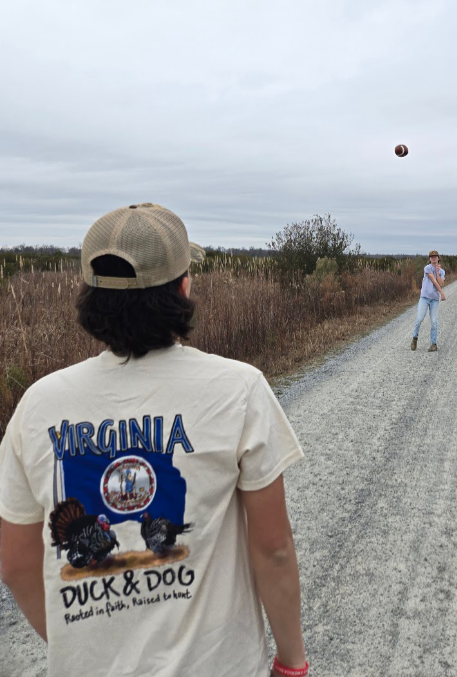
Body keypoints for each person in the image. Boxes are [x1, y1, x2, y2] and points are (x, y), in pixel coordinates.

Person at [0, 203, 308, 677]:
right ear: (183, 289)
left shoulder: (38, 406)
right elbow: (274, 549)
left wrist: (75, 647)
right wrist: (291, 663)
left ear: (89, 296)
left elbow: (16, 561)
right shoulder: (239, 389)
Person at [411, 249, 446, 352]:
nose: (433, 258)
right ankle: (414, 338)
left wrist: (438, 272)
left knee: (434, 321)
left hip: (434, 299)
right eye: (431, 257)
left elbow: (441, 283)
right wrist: (442, 293)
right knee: (419, 318)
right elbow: (434, 281)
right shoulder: (427, 268)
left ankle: (433, 344)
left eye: (435, 256)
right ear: (429, 259)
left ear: (438, 258)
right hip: (425, 298)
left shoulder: (442, 271)